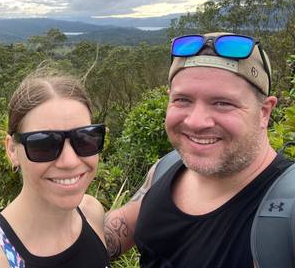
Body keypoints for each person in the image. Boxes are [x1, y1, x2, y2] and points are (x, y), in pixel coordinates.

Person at [104, 32, 293, 267]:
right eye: (182, 100)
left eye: (223, 103)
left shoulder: (288, 211)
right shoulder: (167, 166)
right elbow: (119, 228)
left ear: (264, 112)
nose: (196, 122)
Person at [0, 71, 110, 267]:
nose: (69, 161)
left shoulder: (91, 212)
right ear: (12, 150)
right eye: (44, 144)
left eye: (85, 138)